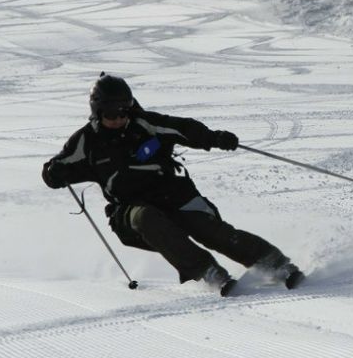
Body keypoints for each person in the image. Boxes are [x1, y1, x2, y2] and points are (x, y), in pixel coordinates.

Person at [41, 74, 301, 295]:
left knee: (208, 229)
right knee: (148, 218)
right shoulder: (87, 142)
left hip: (172, 194)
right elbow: (55, 169)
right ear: (97, 112)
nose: (119, 118)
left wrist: (214, 138)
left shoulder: (146, 124)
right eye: (111, 113)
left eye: (125, 110)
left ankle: (277, 265)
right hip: (130, 209)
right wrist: (55, 174)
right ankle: (206, 271)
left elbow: (184, 129)